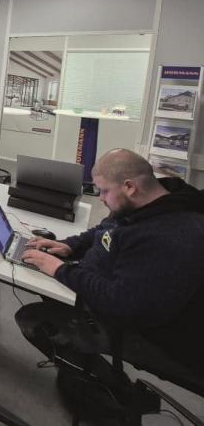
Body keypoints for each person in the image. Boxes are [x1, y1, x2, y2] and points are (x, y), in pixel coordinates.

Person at [16, 148, 204, 374]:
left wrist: (59, 269)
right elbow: (106, 229)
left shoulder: (170, 236)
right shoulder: (145, 201)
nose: (101, 199)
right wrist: (70, 245)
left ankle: (107, 387)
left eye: (104, 191)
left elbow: (119, 301)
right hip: (110, 290)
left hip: (147, 332)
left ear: (129, 186)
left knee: (32, 319)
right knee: (48, 290)